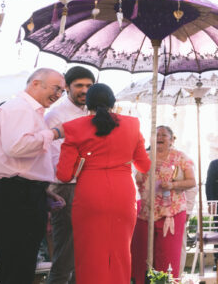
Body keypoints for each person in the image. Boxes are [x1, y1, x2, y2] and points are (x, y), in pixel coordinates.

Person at [56, 83, 149, 284]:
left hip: (90, 192)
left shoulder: (73, 127)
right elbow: (143, 165)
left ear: (86, 103)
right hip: (123, 193)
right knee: (120, 252)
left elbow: (64, 175)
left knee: (89, 253)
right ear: (112, 102)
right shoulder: (132, 124)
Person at [0, 67, 66, 284]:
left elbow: (23, 162)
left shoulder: (30, 111)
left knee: (22, 261)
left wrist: (43, 190)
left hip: (23, 191)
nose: (59, 95)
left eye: (62, 91)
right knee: (17, 263)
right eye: (56, 88)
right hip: (15, 192)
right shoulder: (20, 108)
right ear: (36, 83)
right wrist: (54, 133)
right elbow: (17, 147)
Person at [44, 65, 95, 284]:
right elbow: (53, 157)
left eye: (89, 86)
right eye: (79, 86)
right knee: (66, 254)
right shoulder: (56, 114)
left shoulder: (91, 112)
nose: (85, 90)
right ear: (67, 87)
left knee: (84, 255)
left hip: (88, 186)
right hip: (66, 186)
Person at [130, 126, 195, 282]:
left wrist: (173, 186)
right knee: (139, 254)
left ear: (171, 140)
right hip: (145, 212)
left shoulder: (180, 157)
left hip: (171, 212)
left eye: (163, 135)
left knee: (168, 256)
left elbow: (191, 182)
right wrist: (146, 169)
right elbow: (134, 179)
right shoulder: (143, 157)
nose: (159, 137)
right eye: (156, 135)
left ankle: (165, 281)